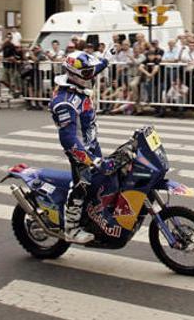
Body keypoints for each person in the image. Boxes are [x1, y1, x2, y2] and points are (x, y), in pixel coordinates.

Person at [49, 49, 116, 243]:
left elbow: (94, 68)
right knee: (83, 184)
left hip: (91, 144)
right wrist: (91, 160)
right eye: (87, 73)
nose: (92, 76)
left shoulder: (80, 82)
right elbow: (69, 139)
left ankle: (95, 215)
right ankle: (71, 228)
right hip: (79, 152)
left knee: (104, 178)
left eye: (90, 72)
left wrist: (107, 58)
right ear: (73, 74)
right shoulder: (64, 103)